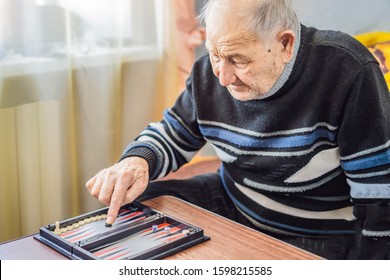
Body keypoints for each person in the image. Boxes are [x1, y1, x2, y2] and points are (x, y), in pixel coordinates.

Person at [86, 0, 390, 259]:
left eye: (238, 59)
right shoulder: (210, 72)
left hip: (316, 228)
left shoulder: (348, 70)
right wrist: (136, 161)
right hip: (232, 200)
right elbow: (175, 131)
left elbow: (377, 190)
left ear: (285, 43)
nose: (223, 77)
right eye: (215, 54)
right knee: (139, 206)